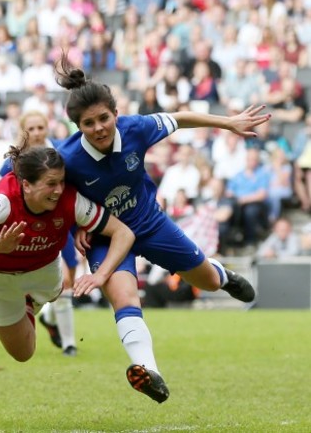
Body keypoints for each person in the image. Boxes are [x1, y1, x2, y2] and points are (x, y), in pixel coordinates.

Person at [53, 55, 268, 403]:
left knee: (207, 282)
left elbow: (180, 119)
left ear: (116, 114)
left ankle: (223, 276)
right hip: (104, 237)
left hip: (150, 224)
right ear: (78, 127)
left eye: (104, 118)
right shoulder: (65, 156)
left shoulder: (136, 128)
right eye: (88, 123)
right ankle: (148, 371)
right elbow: (31, 177)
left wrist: (227, 123)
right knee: (124, 298)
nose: (99, 128)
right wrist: (76, 220)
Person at [0, 144, 135, 363]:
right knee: (23, 354)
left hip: (42, 269)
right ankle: (28, 306)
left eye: (61, 182)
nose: (59, 190)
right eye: (51, 184)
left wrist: (101, 275)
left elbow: (123, 233)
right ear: (26, 185)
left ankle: (32, 304)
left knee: (58, 290)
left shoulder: (70, 199)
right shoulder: (3, 199)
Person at [0, 110, 81, 357]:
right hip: (31, 231)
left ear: (47, 128)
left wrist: (78, 228)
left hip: (59, 224)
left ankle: (50, 318)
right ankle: (69, 343)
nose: (36, 133)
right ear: (23, 131)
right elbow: (2, 195)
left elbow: (71, 190)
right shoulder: (12, 162)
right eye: (30, 129)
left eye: (40, 128)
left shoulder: (61, 153)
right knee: (63, 282)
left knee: (68, 279)